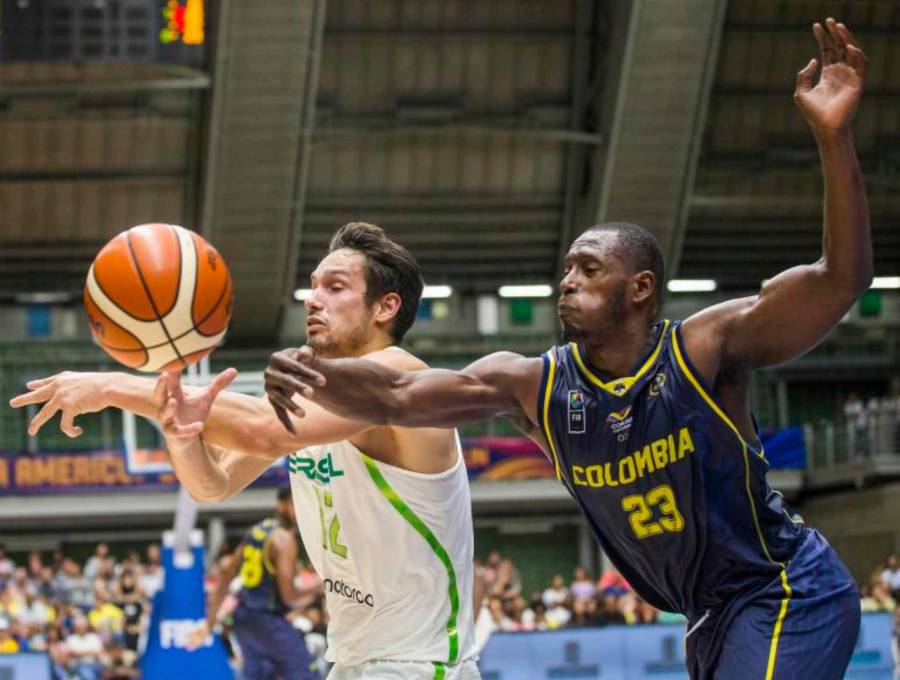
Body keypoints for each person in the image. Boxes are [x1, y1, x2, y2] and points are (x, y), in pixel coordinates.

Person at [263, 19, 869, 680]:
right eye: (566, 269)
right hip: (707, 613)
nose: (566, 280)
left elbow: (841, 279)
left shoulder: (704, 347)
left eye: (587, 270)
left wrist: (833, 138)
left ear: (639, 289)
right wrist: (315, 373)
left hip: (784, 588)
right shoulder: (537, 385)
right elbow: (402, 396)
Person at [11, 223, 479, 679]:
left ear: (386, 307)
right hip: (356, 659)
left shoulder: (401, 377)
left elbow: (262, 431)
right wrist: (180, 435)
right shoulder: (317, 393)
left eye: (335, 288)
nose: (313, 298)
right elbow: (211, 486)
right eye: (313, 286)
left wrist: (113, 387)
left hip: (422, 662)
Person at [188, 486, 319, 680]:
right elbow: (289, 596)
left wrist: (209, 622)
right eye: (296, 502)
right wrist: (321, 585)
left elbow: (226, 577)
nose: (302, 508)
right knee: (308, 674)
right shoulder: (285, 539)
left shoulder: (257, 530)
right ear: (281, 505)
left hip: (244, 619)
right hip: (267, 620)